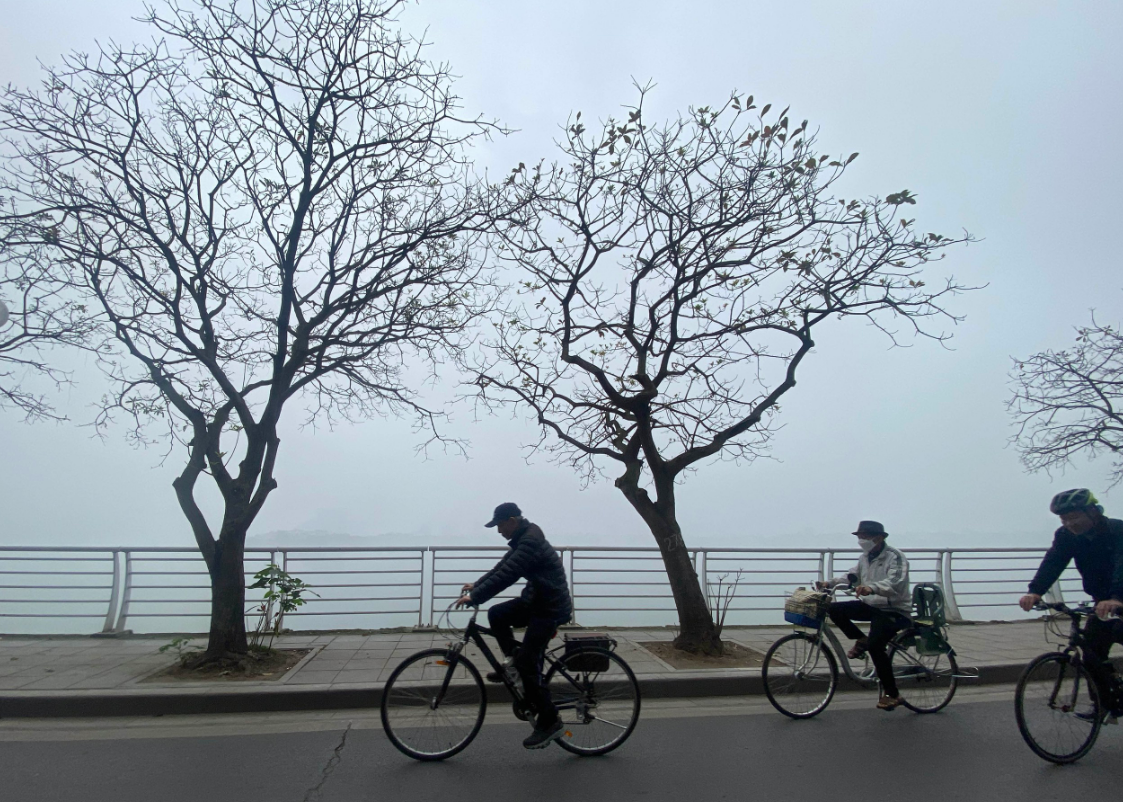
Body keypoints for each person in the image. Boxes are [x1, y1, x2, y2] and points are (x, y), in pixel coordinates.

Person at [456, 502, 573, 749]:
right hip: (536, 600)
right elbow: (503, 566)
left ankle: (550, 721)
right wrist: (477, 585)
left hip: (549, 608)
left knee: (529, 663)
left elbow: (508, 575)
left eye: (499, 525)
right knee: (497, 614)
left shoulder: (529, 541)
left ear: (512, 520)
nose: (499, 531)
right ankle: (513, 664)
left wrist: (475, 598)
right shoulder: (524, 537)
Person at [1019, 488, 1123, 721]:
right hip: (1103, 603)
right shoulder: (1066, 536)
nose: (1069, 523)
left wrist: (1117, 597)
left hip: (1118, 597)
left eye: (1074, 517)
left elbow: (1122, 564)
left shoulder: (1117, 530)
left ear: (1093, 512)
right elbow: (1054, 562)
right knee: (1092, 650)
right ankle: (1104, 706)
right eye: (1064, 519)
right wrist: (1035, 591)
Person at [817, 520, 911, 711]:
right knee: (834, 609)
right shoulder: (865, 557)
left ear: (878, 537)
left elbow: (895, 582)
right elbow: (853, 576)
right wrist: (830, 583)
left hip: (893, 610)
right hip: (871, 606)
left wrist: (871, 588)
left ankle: (892, 694)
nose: (861, 540)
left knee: (876, 646)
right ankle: (860, 639)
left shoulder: (895, 557)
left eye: (864, 536)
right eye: (860, 536)